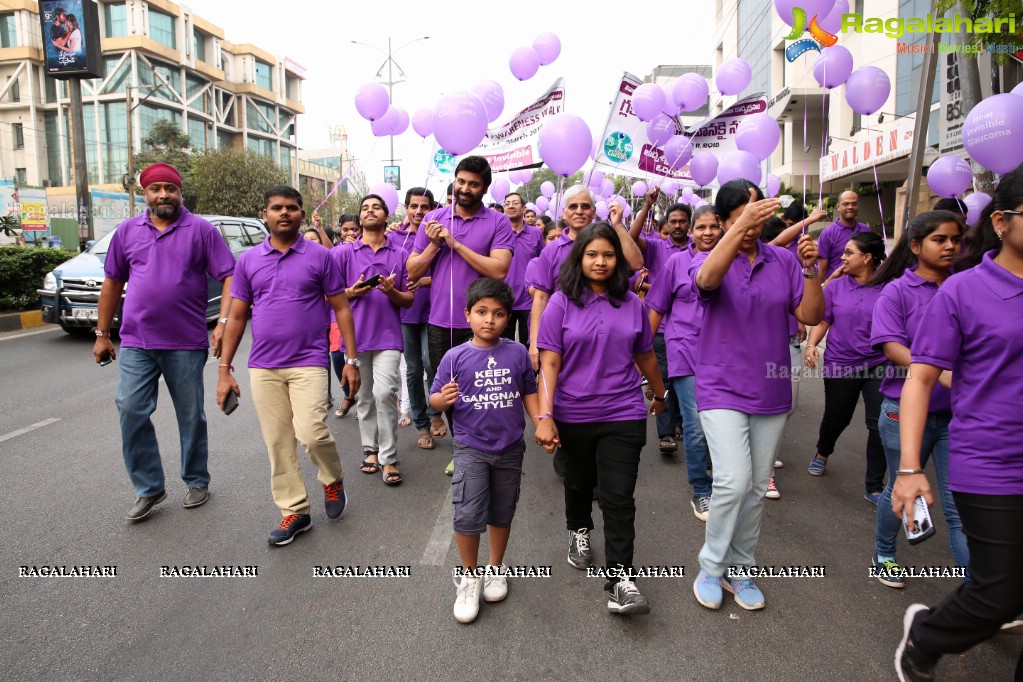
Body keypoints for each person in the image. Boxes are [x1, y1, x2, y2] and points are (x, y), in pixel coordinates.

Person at [893, 165, 1023, 682]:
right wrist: (908, 467)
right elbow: (921, 380)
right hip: (990, 462)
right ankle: (924, 638)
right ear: (1001, 222)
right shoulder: (963, 292)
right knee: (998, 593)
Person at [690, 179, 823, 612]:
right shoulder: (715, 258)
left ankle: (741, 565)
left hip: (771, 387)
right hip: (720, 385)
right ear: (727, 219)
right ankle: (711, 565)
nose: (751, 224)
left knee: (754, 489)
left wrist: (810, 270)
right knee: (732, 480)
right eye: (741, 215)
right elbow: (707, 282)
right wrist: (735, 231)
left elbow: (810, 314)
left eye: (757, 214)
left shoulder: (781, 259)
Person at [216, 185, 361, 546]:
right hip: (263, 366)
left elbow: (341, 307)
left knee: (311, 432)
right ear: (264, 214)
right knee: (278, 442)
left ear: (300, 214)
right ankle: (294, 510)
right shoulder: (248, 261)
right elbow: (236, 317)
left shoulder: (319, 257)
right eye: (277, 208)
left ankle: (332, 479)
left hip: (309, 362)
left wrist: (351, 360)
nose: (285, 213)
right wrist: (224, 369)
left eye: (292, 208)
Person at [535, 223, 667, 616]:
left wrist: (660, 393)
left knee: (618, 496)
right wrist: (545, 415)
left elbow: (645, 355)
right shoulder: (560, 303)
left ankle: (621, 579)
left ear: (618, 260)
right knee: (578, 482)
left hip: (623, 410)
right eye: (592, 254)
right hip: (573, 413)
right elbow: (549, 362)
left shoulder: (631, 304)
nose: (600, 261)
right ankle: (579, 529)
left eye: (608, 254)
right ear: (580, 257)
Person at [93, 162, 235, 522]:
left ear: (180, 192)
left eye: (169, 189)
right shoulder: (127, 231)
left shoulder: (201, 230)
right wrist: (102, 334)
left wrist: (222, 323)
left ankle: (197, 479)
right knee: (130, 408)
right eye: (155, 189)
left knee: (190, 415)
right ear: (145, 194)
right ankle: (149, 488)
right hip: (136, 341)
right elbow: (112, 283)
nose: (163, 195)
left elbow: (229, 276)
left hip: (185, 342)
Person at [430, 278, 542, 623]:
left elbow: (529, 394)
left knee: (502, 510)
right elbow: (434, 397)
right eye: (481, 312)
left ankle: (495, 567)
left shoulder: (517, 353)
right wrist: (441, 399)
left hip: (510, 449)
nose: (489, 319)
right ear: (468, 315)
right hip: (470, 448)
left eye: (498, 313)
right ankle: (469, 576)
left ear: (508, 318)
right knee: (467, 513)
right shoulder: (455, 357)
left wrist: (543, 424)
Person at [868, 210, 967, 588]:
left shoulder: (964, 287)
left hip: (959, 414)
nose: (950, 247)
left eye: (956, 239)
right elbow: (892, 346)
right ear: (915, 245)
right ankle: (884, 552)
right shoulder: (896, 291)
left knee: (958, 506)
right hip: (903, 412)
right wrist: (937, 370)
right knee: (901, 487)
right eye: (939, 239)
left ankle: (980, 592)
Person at [406, 156, 515, 475]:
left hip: (484, 324)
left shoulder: (497, 222)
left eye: (474, 184)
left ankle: (480, 448)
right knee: (449, 391)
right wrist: (435, 247)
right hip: (441, 321)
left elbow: (499, 269)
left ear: (484, 188)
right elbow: (412, 270)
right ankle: (464, 446)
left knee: (482, 389)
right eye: (461, 181)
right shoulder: (435, 218)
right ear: (454, 181)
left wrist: (455, 244)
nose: (465, 188)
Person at [646, 205, 723, 522]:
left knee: (723, 424)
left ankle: (725, 485)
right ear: (692, 231)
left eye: (713, 227)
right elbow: (656, 309)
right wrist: (641, 356)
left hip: (726, 355)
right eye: (701, 227)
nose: (707, 233)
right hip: (686, 351)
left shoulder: (732, 262)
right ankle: (702, 492)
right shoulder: (677, 263)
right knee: (695, 425)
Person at [333, 194, 413, 486]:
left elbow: (408, 300)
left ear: (386, 216)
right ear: (359, 217)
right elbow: (329, 295)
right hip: (354, 338)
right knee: (364, 397)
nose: (370, 211)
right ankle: (371, 449)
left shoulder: (400, 254)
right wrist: (352, 292)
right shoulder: (342, 254)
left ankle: (389, 458)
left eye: (376, 207)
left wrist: (391, 292)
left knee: (384, 393)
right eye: (365, 208)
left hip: (389, 337)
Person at [804, 232, 888, 503]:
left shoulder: (890, 287)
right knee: (837, 417)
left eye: (849, 253)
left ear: (867, 258)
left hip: (879, 364)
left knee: (880, 425)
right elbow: (823, 321)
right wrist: (811, 345)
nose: (842, 257)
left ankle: (875, 484)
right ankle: (822, 451)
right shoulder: (836, 287)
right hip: (841, 362)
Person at [528, 185, 643, 371]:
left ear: (594, 212)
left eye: (585, 206)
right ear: (564, 213)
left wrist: (618, 226)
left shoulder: (608, 242)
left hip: (608, 334)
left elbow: (636, 264)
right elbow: (540, 298)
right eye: (573, 207)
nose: (579, 211)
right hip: (565, 338)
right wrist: (534, 342)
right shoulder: (550, 251)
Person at [629, 189, 691, 454]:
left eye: (682, 221)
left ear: (689, 224)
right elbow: (631, 238)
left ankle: (682, 424)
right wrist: (647, 206)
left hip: (690, 329)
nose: (677, 226)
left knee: (685, 380)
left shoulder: (699, 248)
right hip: (660, 326)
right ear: (666, 224)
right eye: (673, 222)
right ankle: (666, 433)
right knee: (663, 379)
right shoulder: (655, 247)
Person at [389, 187, 447, 450]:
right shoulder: (394, 237)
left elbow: (451, 273)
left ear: (433, 209)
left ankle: (437, 415)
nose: (418, 212)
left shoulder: (440, 234)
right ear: (406, 207)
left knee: (431, 364)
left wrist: (424, 280)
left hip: (435, 311)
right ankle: (422, 424)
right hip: (404, 314)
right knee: (412, 370)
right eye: (413, 206)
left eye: (424, 207)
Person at [501, 191, 544, 344]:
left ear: (524, 208)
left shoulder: (536, 233)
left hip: (529, 300)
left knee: (531, 345)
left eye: (515, 203)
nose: (510, 206)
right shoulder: (498, 233)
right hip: (504, 299)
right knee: (505, 346)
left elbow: (542, 263)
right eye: (507, 204)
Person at [816, 190, 872, 281]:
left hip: (862, 284)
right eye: (846, 204)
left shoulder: (865, 230)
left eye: (854, 204)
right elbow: (821, 269)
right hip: (837, 287)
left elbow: (870, 261)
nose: (850, 207)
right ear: (838, 207)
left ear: (858, 206)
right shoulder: (828, 233)